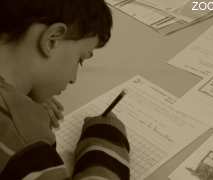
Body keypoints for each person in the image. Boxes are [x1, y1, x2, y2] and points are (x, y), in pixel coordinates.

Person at [0, 0, 130, 179]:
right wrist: (106, 140)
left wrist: (25, 89)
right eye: (80, 59)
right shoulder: (23, 139)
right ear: (52, 39)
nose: (73, 79)